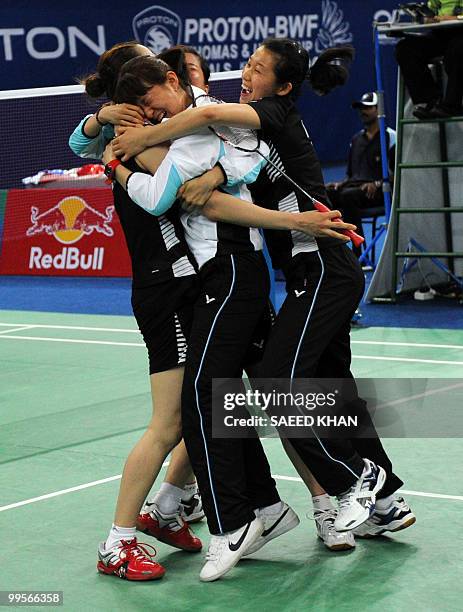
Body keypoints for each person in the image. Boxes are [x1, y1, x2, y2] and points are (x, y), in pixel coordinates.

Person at [113, 38, 416, 547]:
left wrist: (142, 140)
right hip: (302, 274)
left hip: (322, 264)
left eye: (257, 68)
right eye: (247, 65)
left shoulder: (269, 112)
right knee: (332, 388)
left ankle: (358, 480)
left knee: (279, 380)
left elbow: (195, 121)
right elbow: (225, 162)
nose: (246, 74)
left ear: (283, 85)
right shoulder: (240, 131)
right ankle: (384, 502)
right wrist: (119, 132)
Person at [69, 41, 207, 583]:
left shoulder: (150, 130)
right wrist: (104, 116)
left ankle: (169, 508)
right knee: (169, 420)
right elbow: (81, 139)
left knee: (217, 398)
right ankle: (117, 543)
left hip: (189, 283)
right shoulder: (126, 140)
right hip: (163, 288)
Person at [326, 91, 396, 256]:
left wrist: (378, 183)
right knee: (325, 194)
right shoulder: (356, 140)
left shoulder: (391, 137)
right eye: (361, 108)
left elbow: (398, 174)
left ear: (379, 110)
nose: (363, 111)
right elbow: (352, 175)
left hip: (380, 192)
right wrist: (340, 184)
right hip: (355, 189)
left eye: (368, 107)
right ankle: (334, 253)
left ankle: (357, 252)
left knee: (349, 196)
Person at [395, 0, 463, 119]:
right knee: (405, 49)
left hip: (460, 34)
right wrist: (428, 17)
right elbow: (433, 10)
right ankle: (431, 102)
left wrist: (451, 18)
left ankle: (452, 105)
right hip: (441, 32)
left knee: (458, 49)